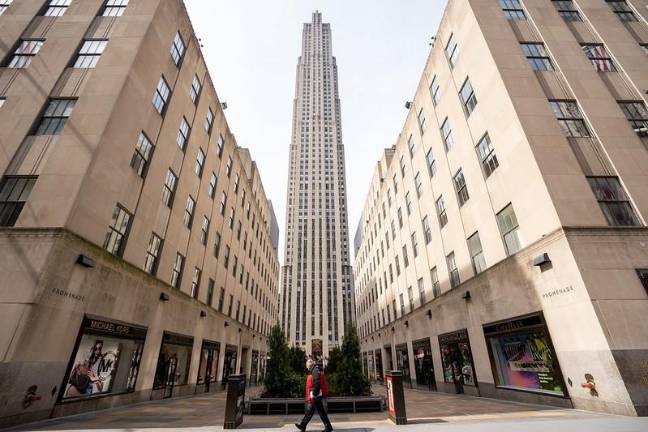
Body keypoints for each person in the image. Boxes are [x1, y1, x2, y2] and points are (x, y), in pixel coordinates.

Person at [295, 359, 333, 432]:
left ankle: (303, 425)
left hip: (316, 395)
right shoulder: (315, 369)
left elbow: (317, 382)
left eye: (307, 366)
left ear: (309, 365)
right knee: (314, 411)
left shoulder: (315, 370)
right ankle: (303, 425)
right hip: (317, 395)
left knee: (316, 411)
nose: (307, 368)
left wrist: (315, 393)